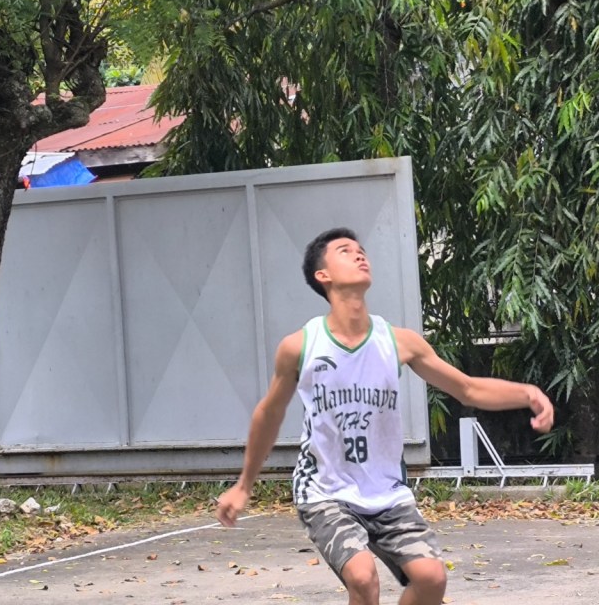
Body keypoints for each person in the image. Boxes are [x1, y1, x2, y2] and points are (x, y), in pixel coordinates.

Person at [215, 227, 555, 605]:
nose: (360, 255)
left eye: (361, 250)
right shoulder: (300, 347)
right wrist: (244, 485)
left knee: (431, 579)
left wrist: (528, 393)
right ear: (322, 275)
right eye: (345, 251)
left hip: (387, 492)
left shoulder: (398, 341)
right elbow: (269, 413)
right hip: (325, 492)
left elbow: (467, 389)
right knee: (363, 578)